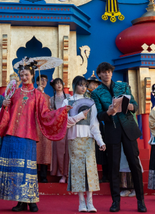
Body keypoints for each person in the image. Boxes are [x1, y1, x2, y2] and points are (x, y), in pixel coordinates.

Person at [0, 58, 70, 212]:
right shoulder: (14, 93)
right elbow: (6, 114)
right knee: (15, 170)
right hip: (11, 135)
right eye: (21, 74)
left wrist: (62, 111)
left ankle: (31, 200)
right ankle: (20, 202)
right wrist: (4, 106)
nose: (24, 77)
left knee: (28, 170)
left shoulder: (38, 95)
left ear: (32, 75)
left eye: (26, 74)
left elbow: (45, 115)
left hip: (27, 135)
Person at [90, 62, 147, 213]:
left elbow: (136, 105)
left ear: (112, 73)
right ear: (100, 74)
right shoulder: (96, 93)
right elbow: (99, 115)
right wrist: (108, 113)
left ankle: (141, 201)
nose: (107, 74)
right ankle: (116, 201)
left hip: (128, 128)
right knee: (113, 167)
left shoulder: (123, 87)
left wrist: (131, 107)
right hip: (112, 131)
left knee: (134, 164)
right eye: (104, 72)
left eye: (109, 71)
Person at [62, 76, 106, 212]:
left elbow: (94, 124)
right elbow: (65, 122)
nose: (83, 87)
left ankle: (90, 202)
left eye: (85, 85)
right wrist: (81, 115)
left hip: (88, 138)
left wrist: (100, 141)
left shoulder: (91, 102)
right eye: (80, 85)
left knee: (90, 169)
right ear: (75, 85)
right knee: (78, 170)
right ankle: (81, 202)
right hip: (74, 139)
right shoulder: (67, 101)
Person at [50, 77, 71, 183]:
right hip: (57, 127)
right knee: (59, 151)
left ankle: (67, 174)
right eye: (56, 83)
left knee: (67, 151)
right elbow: (50, 113)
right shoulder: (51, 99)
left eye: (60, 83)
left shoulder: (68, 97)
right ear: (53, 86)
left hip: (67, 126)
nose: (58, 85)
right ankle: (61, 173)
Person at [35, 74, 52, 183]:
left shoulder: (48, 97)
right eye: (41, 80)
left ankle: (44, 175)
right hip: (35, 124)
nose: (43, 82)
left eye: (45, 80)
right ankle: (34, 175)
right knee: (36, 149)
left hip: (45, 125)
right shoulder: (33, 94)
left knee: (45, 149)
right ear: (37, 82)